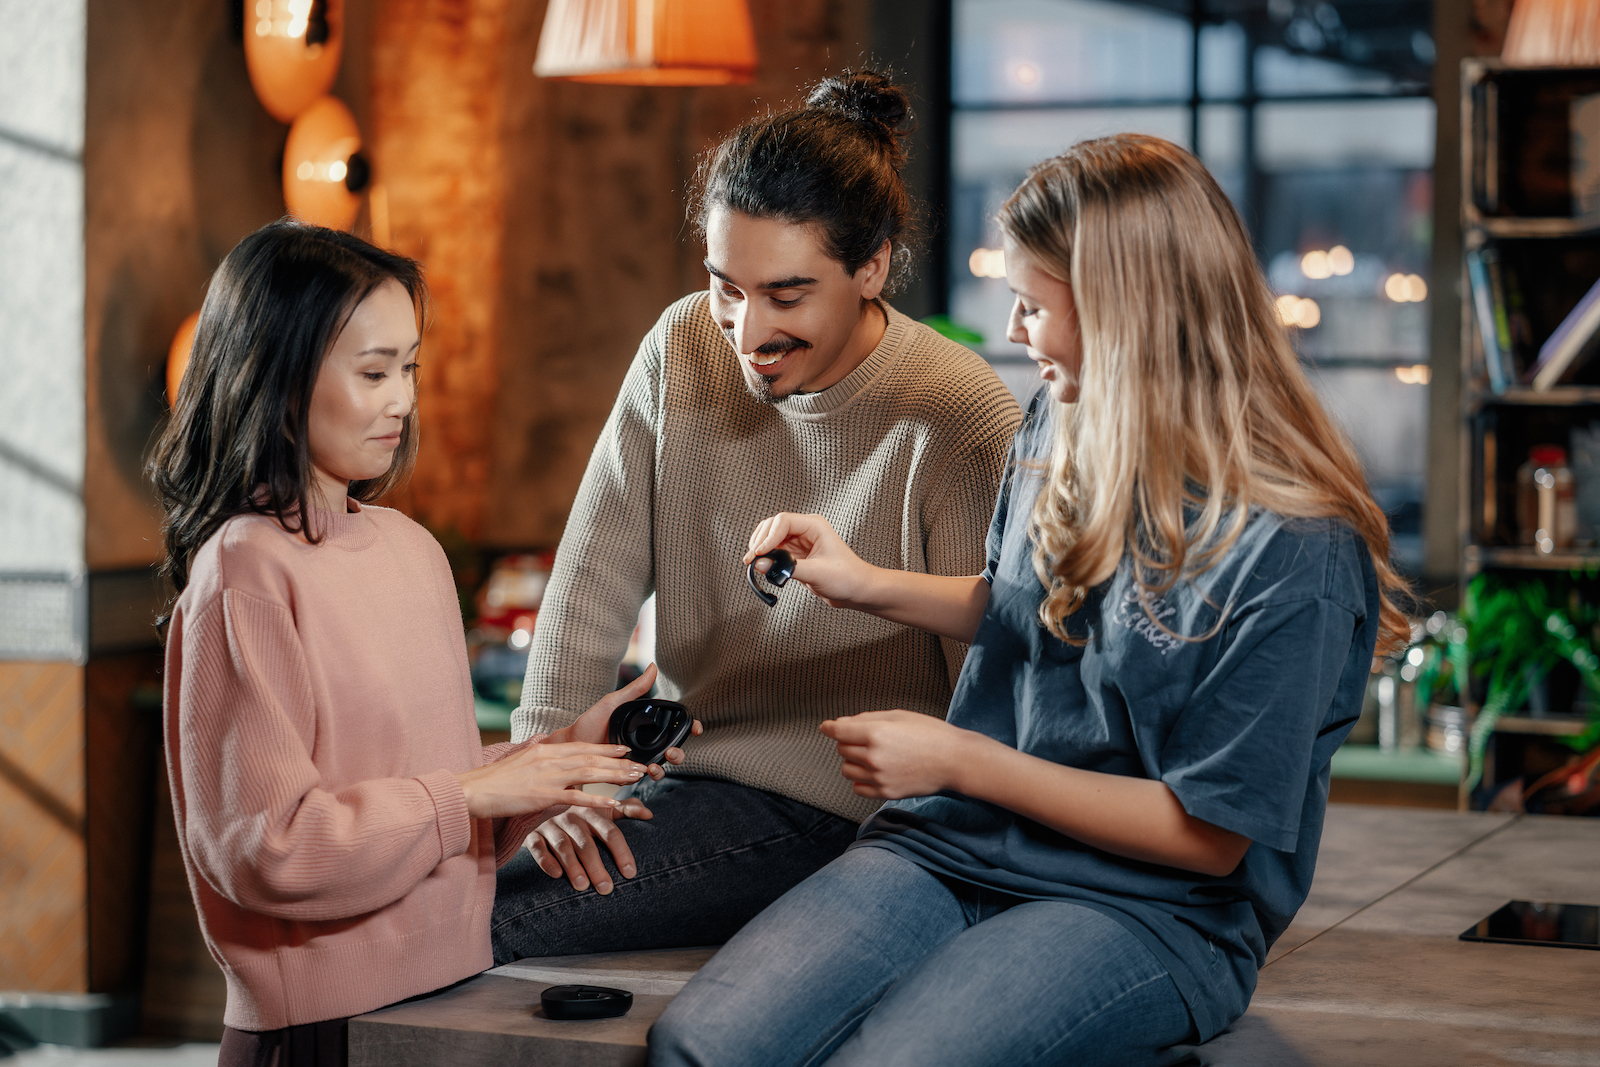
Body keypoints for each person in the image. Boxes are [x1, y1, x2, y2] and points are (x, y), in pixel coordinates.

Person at [650, 134, 1412, 1066]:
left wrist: (960, 760)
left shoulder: (1298, 546)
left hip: (1145, 907)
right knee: (698, 1044)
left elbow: (1210, 836)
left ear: (1124, 312)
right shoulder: (1063, 416)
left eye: (1032, 304)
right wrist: (863, 583)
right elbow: (1041, 614)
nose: (1013, 331)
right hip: (950, 849)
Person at [491, 71, 1023, 961]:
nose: (744, 331)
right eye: (724, 286)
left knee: (475, 922)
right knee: (420, 901)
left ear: (873, 267)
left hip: (846, 808)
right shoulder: (679, 348)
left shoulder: (959, 415)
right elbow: (590, 583)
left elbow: (996, 691)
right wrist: (550, 778)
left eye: (785, 294)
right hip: (676, 770)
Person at [149, 220, 688, 1067]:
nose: (402, 398)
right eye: (373, 372)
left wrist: (557, 761)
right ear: (277, 377)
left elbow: (437, 807)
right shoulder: (243, 572)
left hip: (452, 999)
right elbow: (267, 849)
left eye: (409, 368)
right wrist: (470, 797)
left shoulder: (413, 550)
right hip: (316, 1032)